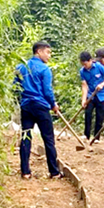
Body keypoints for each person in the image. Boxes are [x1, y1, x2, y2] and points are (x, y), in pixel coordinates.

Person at [15, 42, 61, 179]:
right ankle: (54, 172)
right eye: (48, 52)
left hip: (26, 106)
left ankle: (25, 171)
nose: (49, 55)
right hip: (41, 106)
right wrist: (53, 105)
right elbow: (47, 91)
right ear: (39, 52)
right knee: (48, 138)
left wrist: (21, 100)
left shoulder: (20, 67)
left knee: (26, 137)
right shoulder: (45, 69)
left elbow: (15, 87)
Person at [78, 50, 104, 142]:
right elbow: (84, 86)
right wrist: (84, 100)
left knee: (99, 116)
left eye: (86, 63)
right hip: (90, 95)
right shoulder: (82, 71)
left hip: (102, 95)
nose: (85, 66)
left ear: (90, 60)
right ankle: (86, 135)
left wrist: (102, 84)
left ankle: (96, 137)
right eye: (83, 64)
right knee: (88, 113)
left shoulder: (99, 67)